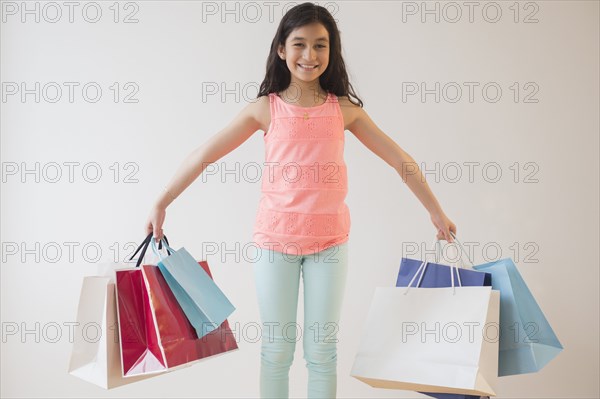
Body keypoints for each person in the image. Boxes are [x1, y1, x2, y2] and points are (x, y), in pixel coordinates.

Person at [145, 3, 456, 398]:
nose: (310, 56)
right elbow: (205, 154)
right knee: (276, 351)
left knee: (323, 352)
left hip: (330, 246)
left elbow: (400, 160)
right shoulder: (265, 109)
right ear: (281, 49)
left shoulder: (345, 111)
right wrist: (163, 200)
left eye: (320, 46)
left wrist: (436, 212)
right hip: (274, 245)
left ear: (332, 52)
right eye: (300, 44)